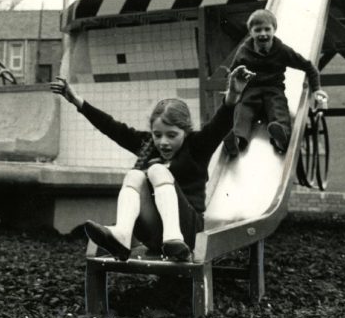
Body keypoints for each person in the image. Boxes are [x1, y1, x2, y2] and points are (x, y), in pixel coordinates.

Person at [50, 65, 254, 263]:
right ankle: (122, 235)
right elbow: (112, 127)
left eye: (172, 135)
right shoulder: (147, 144)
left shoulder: (197, 145)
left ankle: (174, 238)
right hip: (154, 234)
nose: (163, 142)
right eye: (158, 135)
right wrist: (77, 102)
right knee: (134, 175)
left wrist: (233, 95)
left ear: (186, 131)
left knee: (155, 170)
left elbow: (220, 123)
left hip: (189, 233)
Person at [223, 9, 329, 158]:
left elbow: (308, 67)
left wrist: (316, 89)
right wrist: (234, 89)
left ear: (274, 30)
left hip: (273, 89)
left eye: (267, 29)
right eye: (257, 30)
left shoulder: (281, 50)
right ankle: (237, 140)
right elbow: (232, 74)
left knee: (278, 108)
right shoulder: (244, 51)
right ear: (251, 32)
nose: (263, 34)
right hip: (251, 90)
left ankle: (281, 136)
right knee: (242, 110)